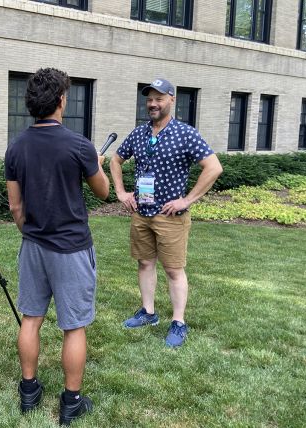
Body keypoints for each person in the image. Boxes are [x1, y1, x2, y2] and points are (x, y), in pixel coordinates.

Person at [5, 68, 110, 426]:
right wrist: (96, 163)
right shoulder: (80, 146)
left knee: (31, 318)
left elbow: (15, 207)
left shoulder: (16, 146)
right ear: (62, 100)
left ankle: (29, 392)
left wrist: (31, 232)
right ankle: (71, 402)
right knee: (74, 326)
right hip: (72, 249)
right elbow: (103, 192)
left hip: (32, 246)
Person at [110, 78, 223, 348]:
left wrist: (187, 200)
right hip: (141, 212)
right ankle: (148, 313)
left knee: (174, 270)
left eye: (159, 98)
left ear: (172, 99)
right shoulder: (139, 133)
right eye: (149, 98)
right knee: (145, 263)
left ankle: (178, 322)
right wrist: (121, 192)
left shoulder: (185, 134)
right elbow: (116, 159)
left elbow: (214, 167)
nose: (153, 103)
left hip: (170, 216)